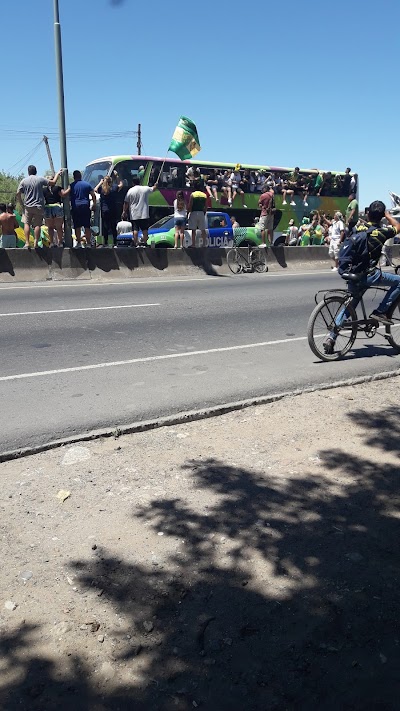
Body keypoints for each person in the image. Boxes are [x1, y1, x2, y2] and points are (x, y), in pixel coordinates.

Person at [323, 201, 400, 355]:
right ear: (381, 217)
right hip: (370, 275)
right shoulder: (381, 232)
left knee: (349, 306)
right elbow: (398, 227)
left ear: (368, 213)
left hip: (353, 273)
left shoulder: (356, 228)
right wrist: (388, 215)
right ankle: (381, 311)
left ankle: (331, 337)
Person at [16, 165, 62, 248]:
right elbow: (53, 182)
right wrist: (57, 174)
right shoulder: (40, 179)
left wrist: (21, 203)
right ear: (36, 171)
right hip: (38, 205)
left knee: (27, 223)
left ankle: (27, 243)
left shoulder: (23, 181)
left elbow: (18, 193)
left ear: (28, 172)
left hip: (28, 205)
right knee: (37, 225)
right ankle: (36, 243)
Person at [63, 170, 97, 247]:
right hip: (85, 206)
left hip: (76, 207)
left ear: (74, 177)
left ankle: (78, 243)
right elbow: (93, 195)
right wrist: (94, 204)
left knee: (77, 226)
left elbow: (65, 194)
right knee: (87, 226)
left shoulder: (72, 185)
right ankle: (88, 243)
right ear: (80, 176)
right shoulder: (87, 185)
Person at [122, 176, 158, 246]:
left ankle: (136, 243)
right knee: (145, 229)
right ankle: (145, 242)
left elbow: (126, 202)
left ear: (133, 183)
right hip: (144, 213)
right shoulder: (145, 188)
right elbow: (153, 189)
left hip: (134, 214)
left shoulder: (130, 191)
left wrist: (124, 212)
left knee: (135, 229)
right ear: (139, 182)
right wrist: (156, 185)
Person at [95, 175, 118, 248]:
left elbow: (95, 189)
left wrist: (100, 182)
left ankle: (105, 242)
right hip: (112, 210)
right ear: (110, 182)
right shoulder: (113, 188)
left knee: (105, 227)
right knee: (113, 226)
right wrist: (117, 176)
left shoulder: (102, 189)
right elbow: (121, 185)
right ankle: (115, 242)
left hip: (104, 210)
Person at [44, 182, 64, 247]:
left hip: (47, 207)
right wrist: (69, 189)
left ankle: (52, 242)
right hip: (56, 206)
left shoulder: (44, 190)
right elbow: (63, 194)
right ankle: (60, 242)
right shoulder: (57, 188)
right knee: (59, 227)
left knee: (50, 227)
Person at [187, 182, 207, 248]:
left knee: (193, 230)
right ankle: (204, 244)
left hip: (194, 212)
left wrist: (188, 212)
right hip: (201, 212)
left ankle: (193, 244)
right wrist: (204, 212)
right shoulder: (204, 195)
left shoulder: (193, 194)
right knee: (203, 229)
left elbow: (190, 205)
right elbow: (206, 206)